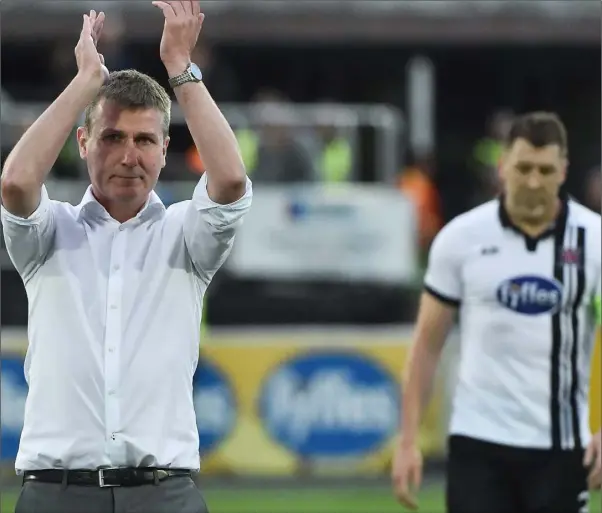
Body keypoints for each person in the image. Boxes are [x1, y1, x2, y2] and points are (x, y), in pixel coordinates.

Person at [1, 3, 251, 513]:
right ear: (84, 141)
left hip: (165, 493)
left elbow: (228, 180)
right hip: (56, 492)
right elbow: (15, 183)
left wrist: (180, 66)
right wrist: (85, 83)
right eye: (112, 137)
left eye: (144, 140)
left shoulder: (186, 233)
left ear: (164, 150)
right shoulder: (52, 231)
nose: (128, 155)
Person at [392, 112, 602, 513]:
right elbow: (426, 346)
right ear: (503, 167)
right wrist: (407, 442)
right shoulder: (461, 238)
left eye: (545, 170)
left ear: (563, 171)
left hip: (560, 449)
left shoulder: (594, 242)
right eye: (523, 168)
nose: (534, 181)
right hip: (479, 445)